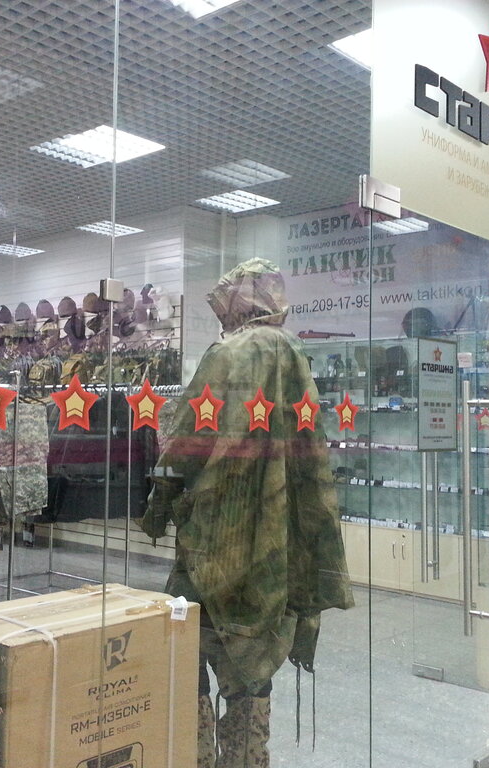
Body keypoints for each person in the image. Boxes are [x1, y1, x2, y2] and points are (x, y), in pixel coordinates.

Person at [142, 258, 353, 767]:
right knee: (256, 650)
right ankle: (246, 756)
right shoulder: (295, 353)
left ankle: (197, 755)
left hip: (218, 530)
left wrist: (157, 505)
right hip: (279, 533)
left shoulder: (226, 354)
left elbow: (188, 440)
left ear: (237, 301)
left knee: (190, 642)